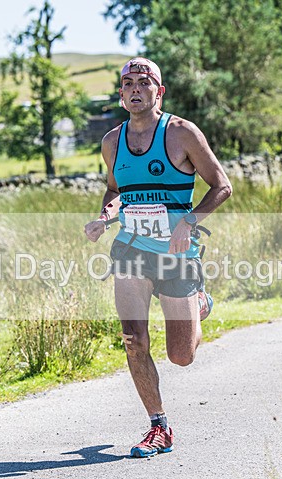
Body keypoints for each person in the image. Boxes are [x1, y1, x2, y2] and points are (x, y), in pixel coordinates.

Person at [84, 57, 231, 457]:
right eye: (128, 83)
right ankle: (158, 425)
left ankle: (198, 300)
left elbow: (222, 186)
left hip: (176, 254)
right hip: (131, 249)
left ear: (159, 91)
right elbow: (116, 191)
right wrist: (104, 218)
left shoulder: (182, 133)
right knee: (133, 341)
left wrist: (189, 221)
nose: (135, 88)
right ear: (121, 93)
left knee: (180, 356)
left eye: (144, 82)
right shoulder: (112, 142)